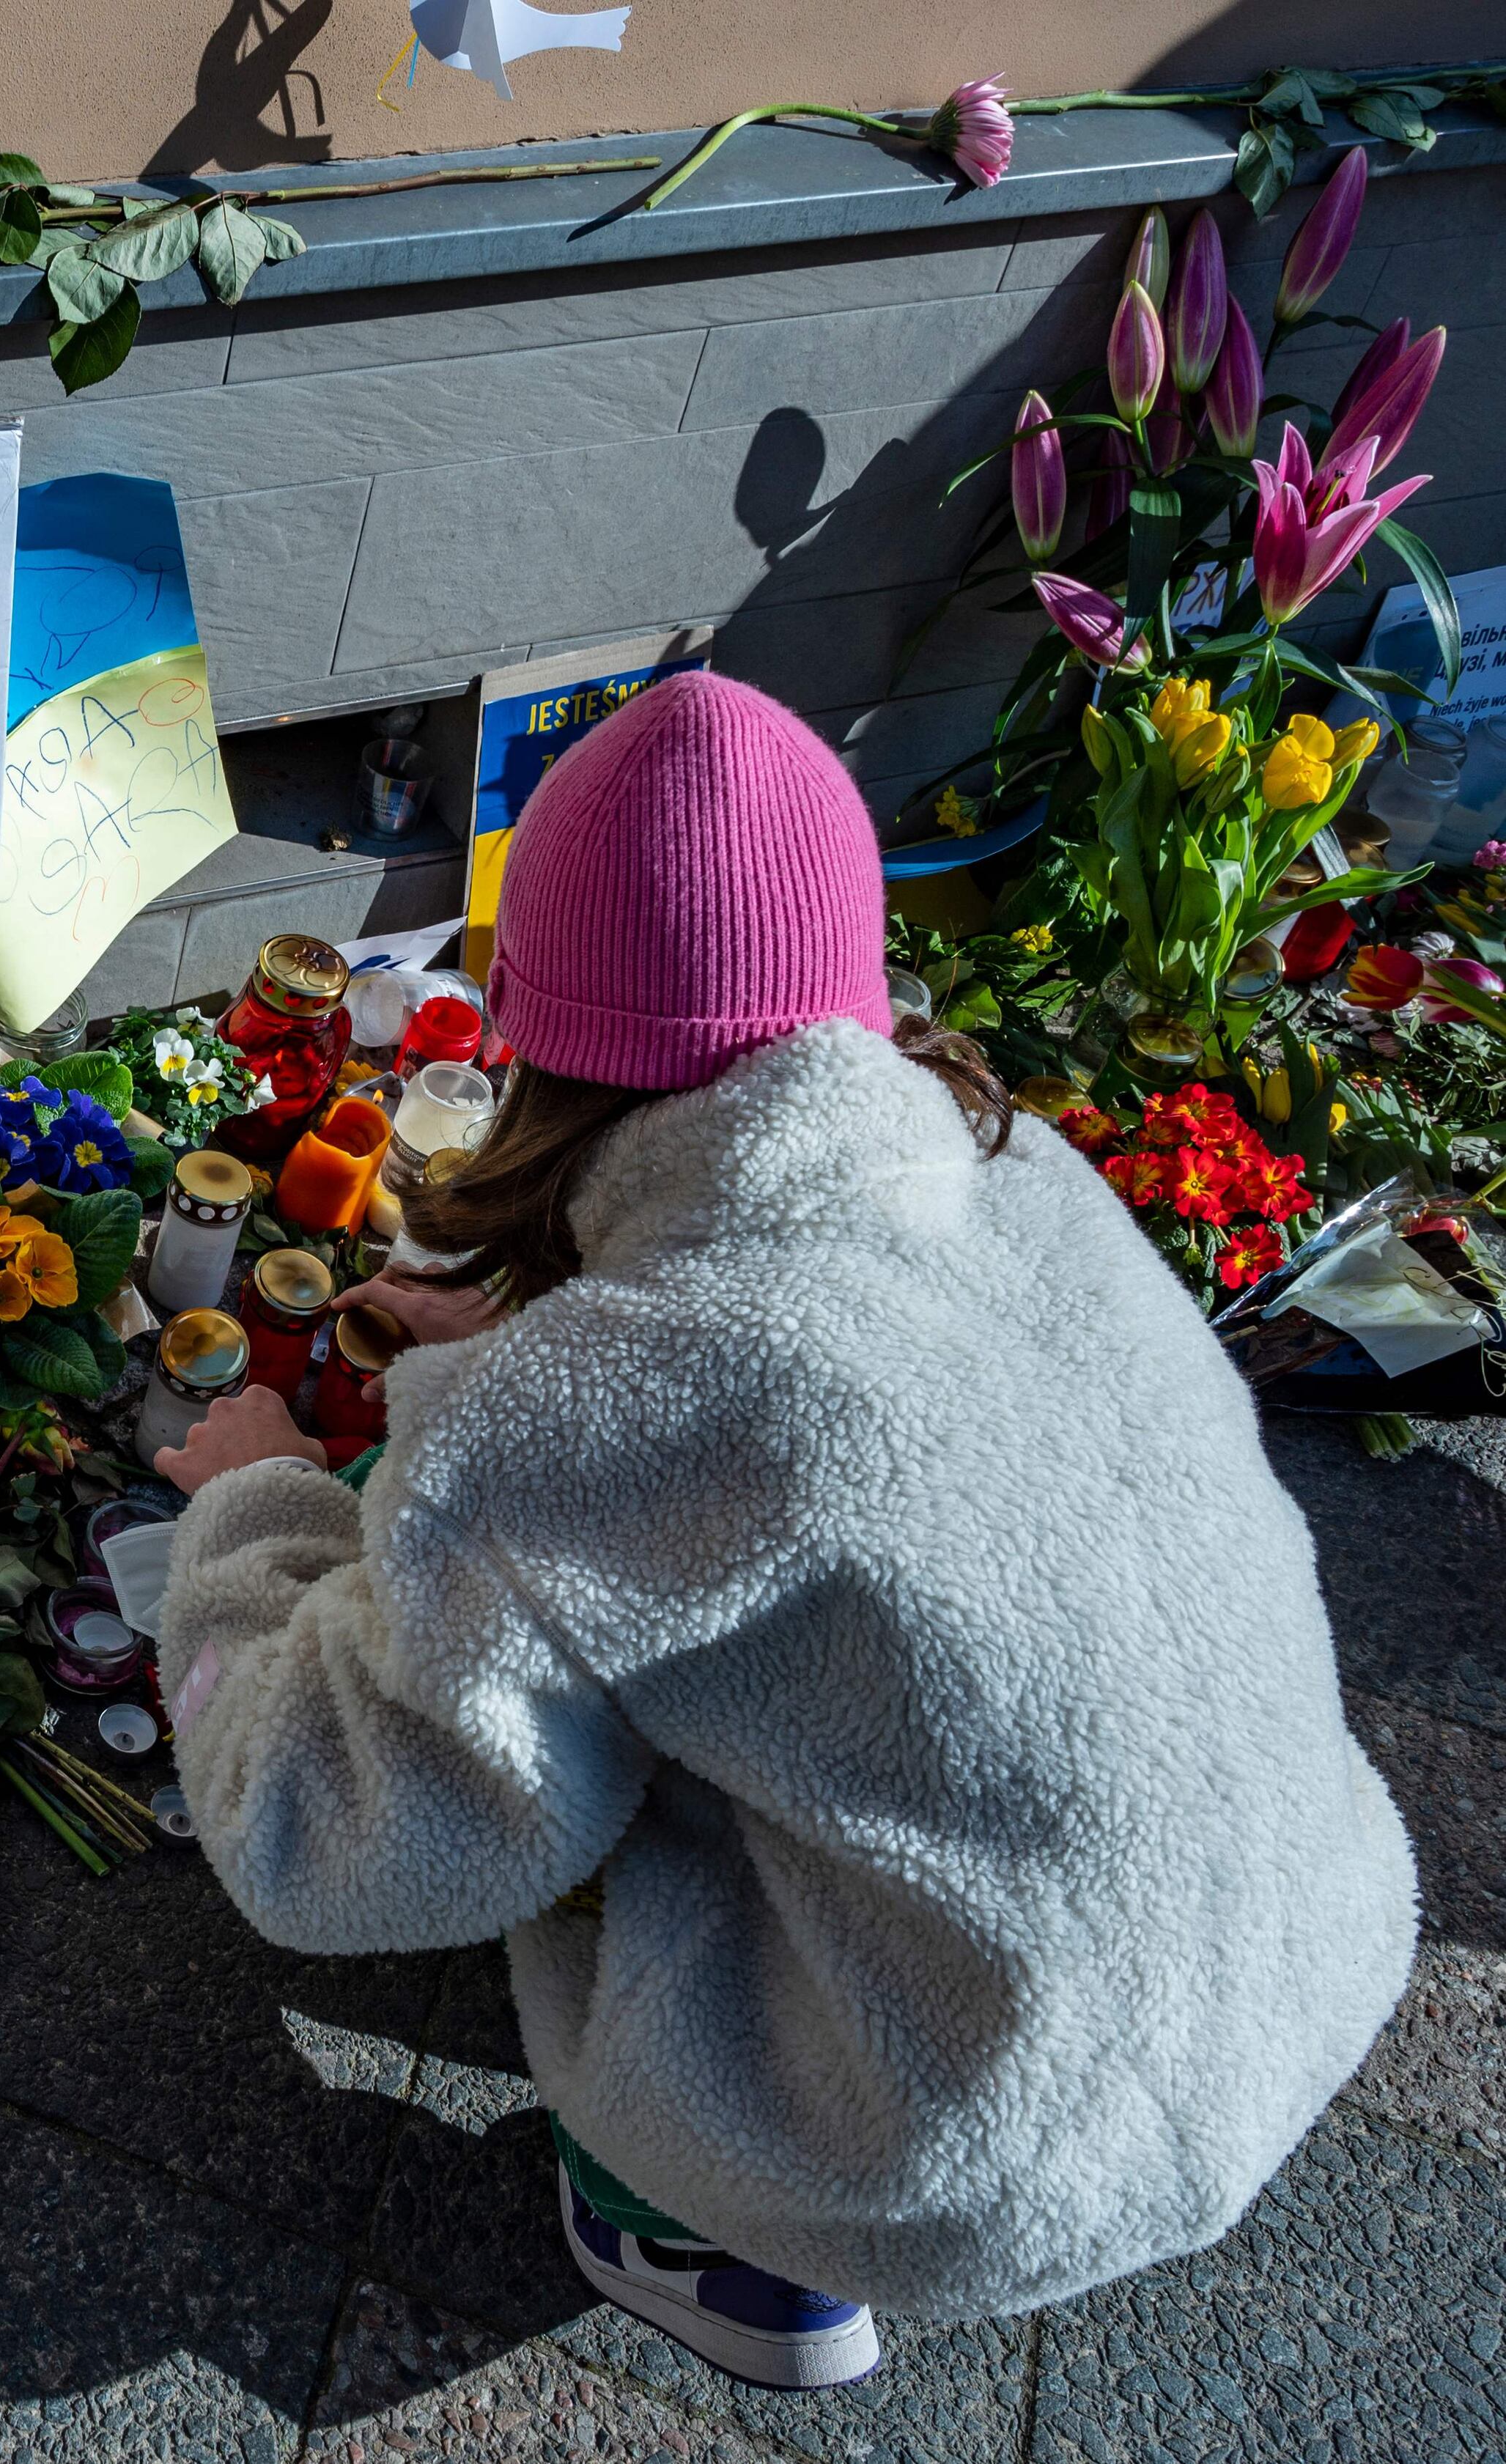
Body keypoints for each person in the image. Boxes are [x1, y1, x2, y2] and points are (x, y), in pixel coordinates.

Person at [150, 671, 1414, 2391]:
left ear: (525, 1031)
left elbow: (320, 1835)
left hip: (957, 2149)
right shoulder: (1027, 1180)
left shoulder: (609, 1410)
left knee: (547, 1754)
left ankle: (708, 2242)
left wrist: (255, 1502)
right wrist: (532, 1349)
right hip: (1293, 1966)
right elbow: (813, 1402)